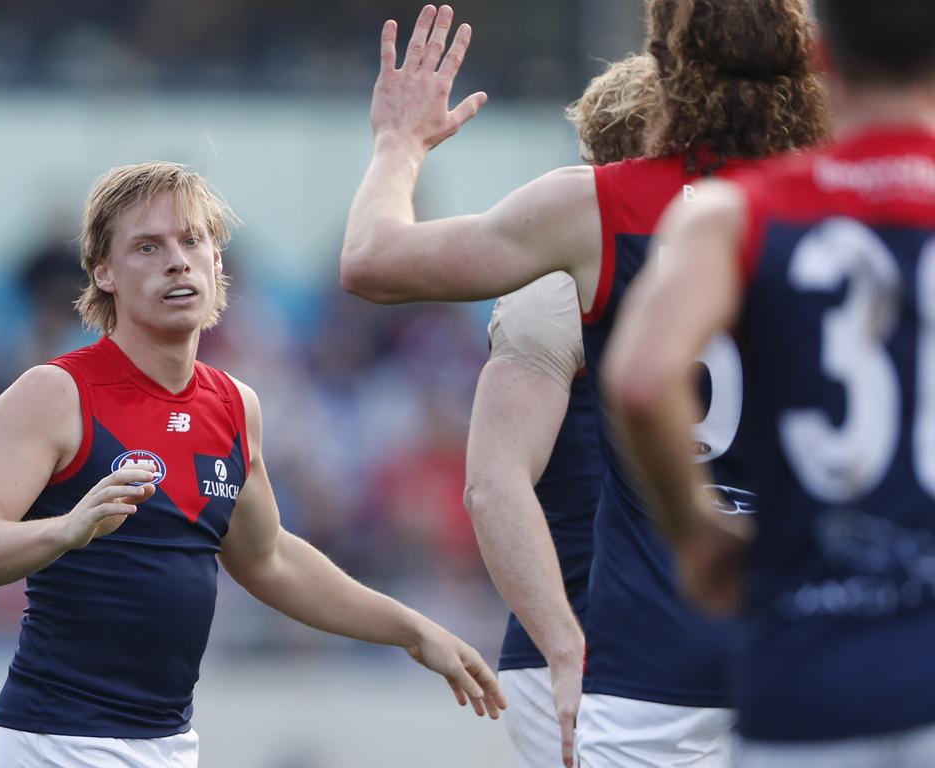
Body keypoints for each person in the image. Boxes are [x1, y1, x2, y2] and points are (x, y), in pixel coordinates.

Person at [340, 2, 827, 765]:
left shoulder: (597, 206)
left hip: (650, 670)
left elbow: (372, 260)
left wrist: (399, 144)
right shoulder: (848, 206)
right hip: (817, 649)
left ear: (665, 67)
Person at [0, 161, 506, 768]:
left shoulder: (235, 406)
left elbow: (270, 559)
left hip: (170, 745)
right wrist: (66, 530)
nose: (177, 261)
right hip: (58, 741)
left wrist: (413, 630)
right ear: (103, 272)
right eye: (147, 247)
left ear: (216, 261)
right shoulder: (55, 394)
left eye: (192, 240)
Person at [604, 1, 935, 765]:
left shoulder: (739, 215)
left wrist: (694, 531)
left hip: (808, 677)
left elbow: (646, 380)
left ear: (821, 58)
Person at [465, 53, 659, 768]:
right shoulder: (557, 285)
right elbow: (494, 482)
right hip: (592, 655)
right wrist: (562, 643)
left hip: (670, 648)